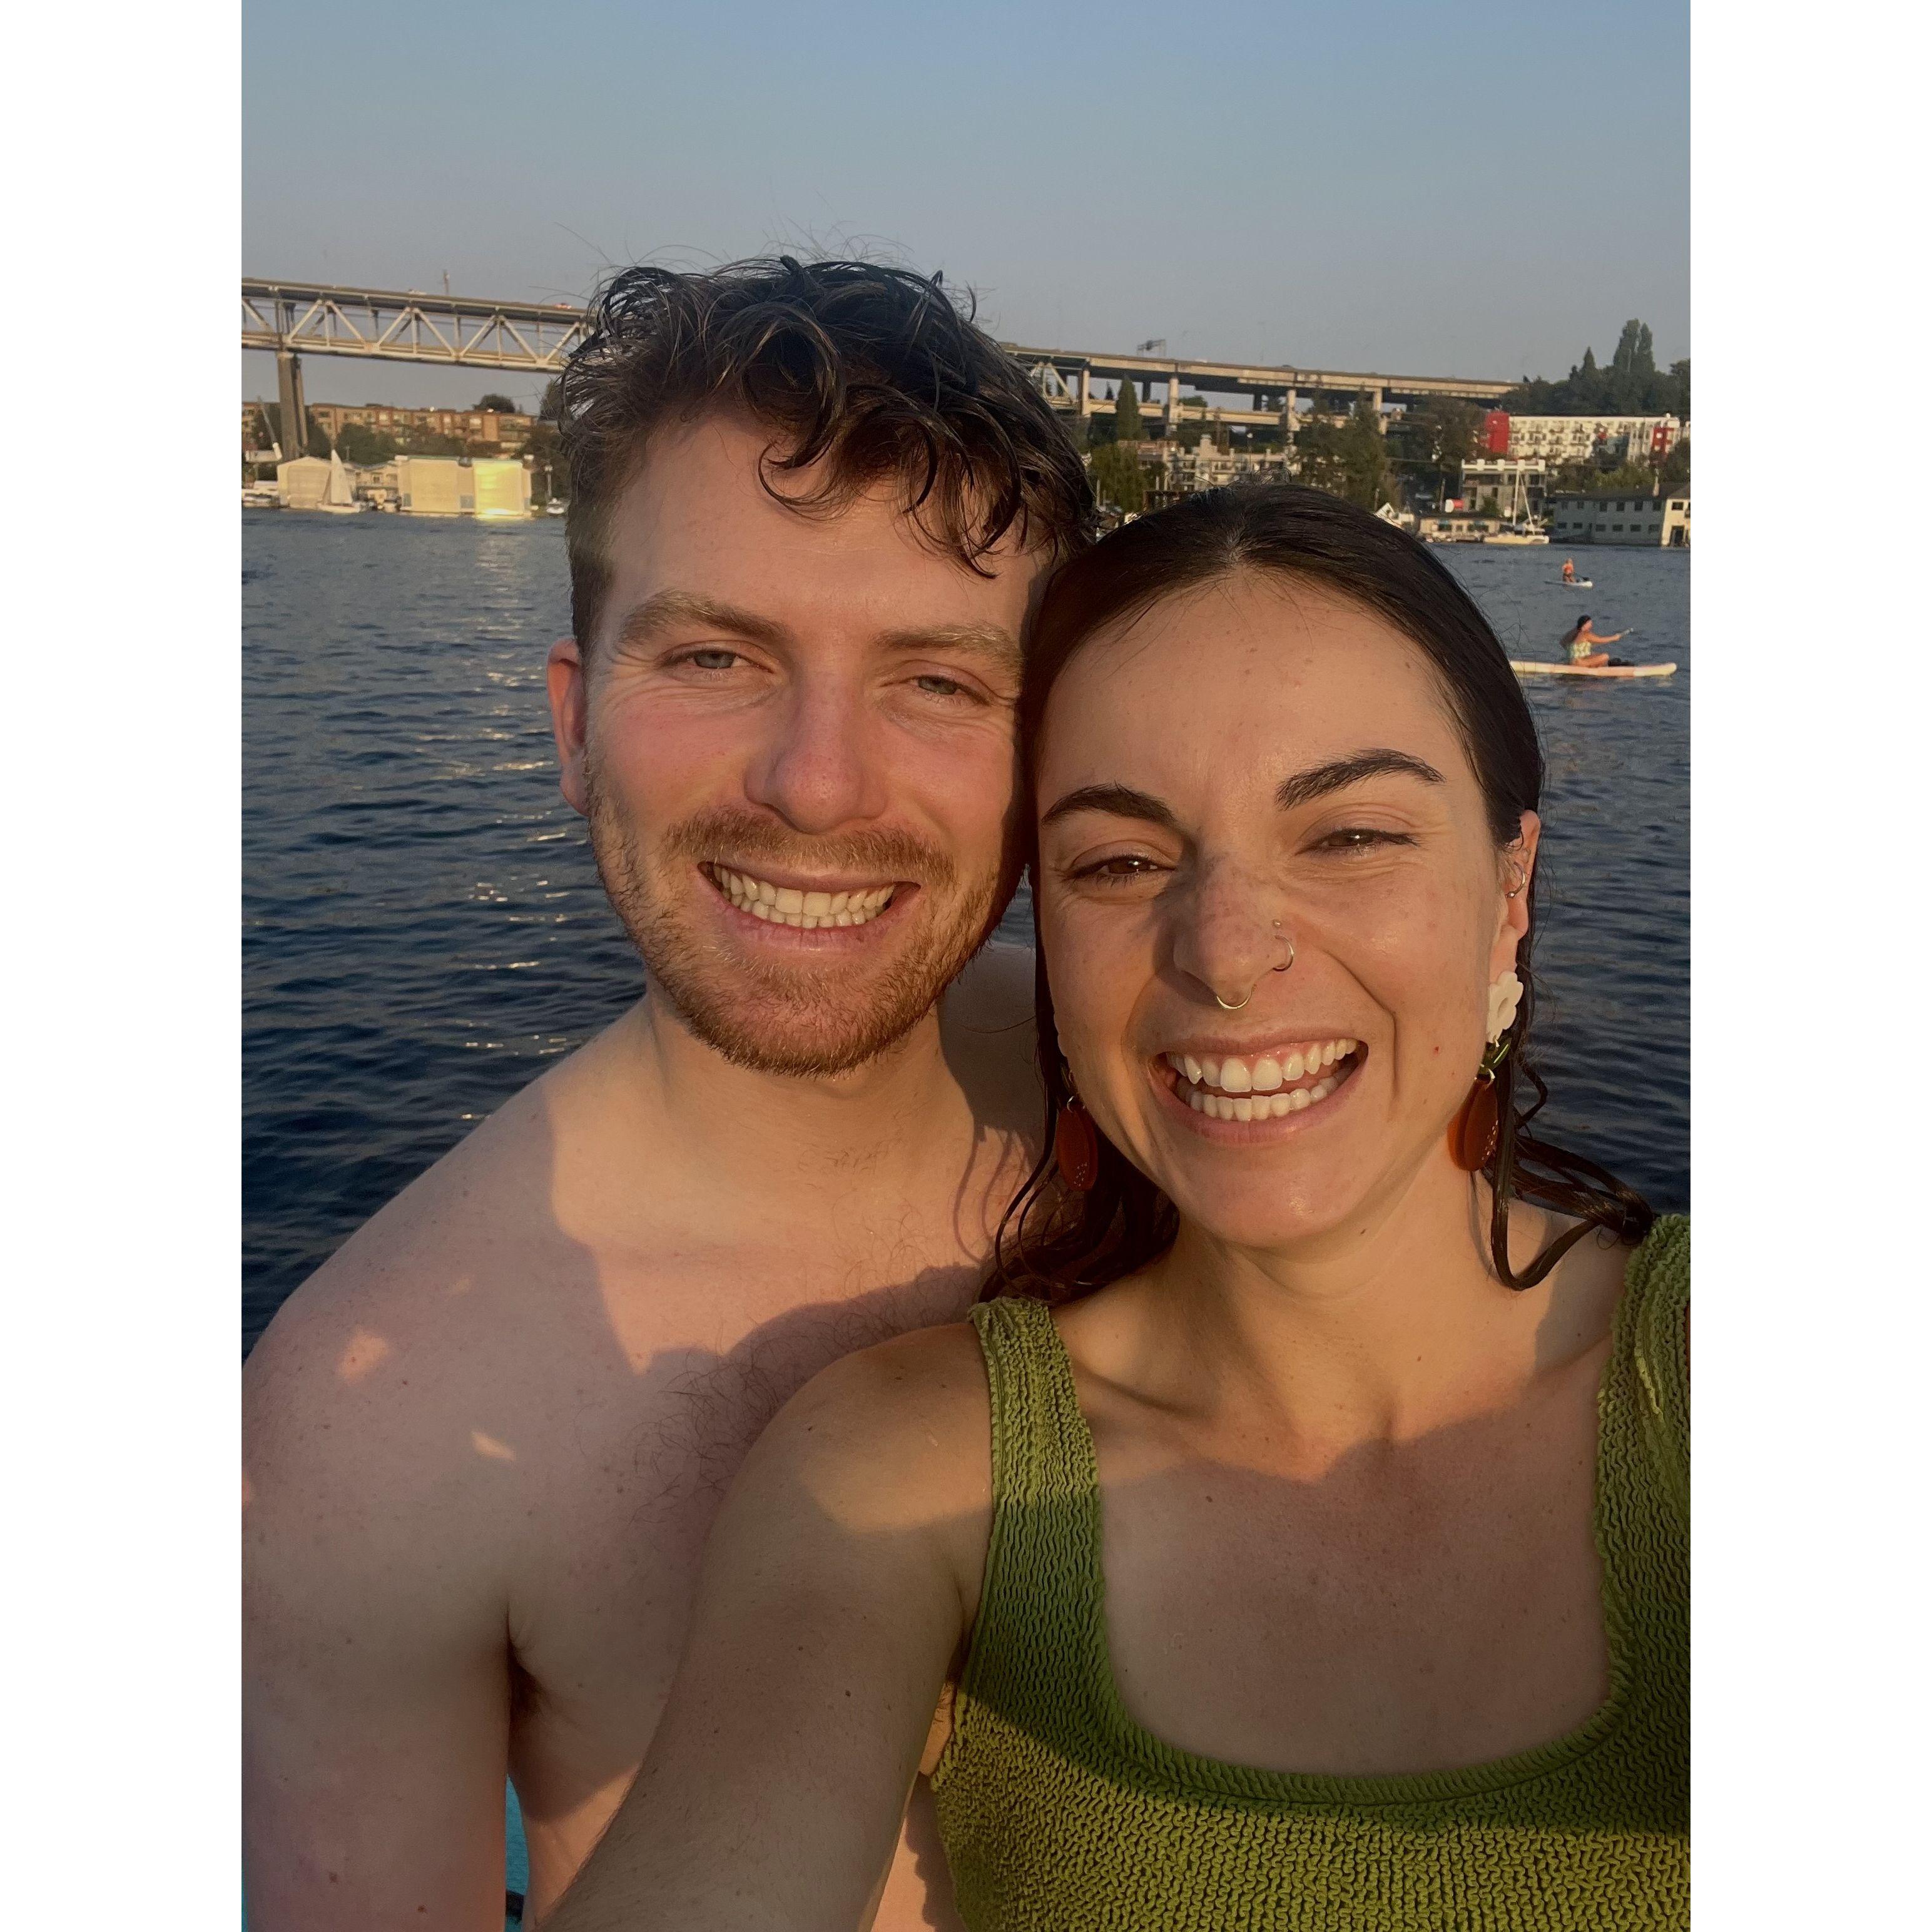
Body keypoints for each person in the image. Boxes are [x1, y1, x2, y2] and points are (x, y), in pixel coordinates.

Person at [550, 486, 1689, 1931]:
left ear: (1509, 895)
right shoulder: (909, 1480)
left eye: (1348, 836)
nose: (1224, 952)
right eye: (1119, 861)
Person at [242, 258, 1095, 1929]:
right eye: (715, 656)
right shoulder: (367, 1436)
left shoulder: (1186, 1103)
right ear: (574, 727)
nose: (818, 784)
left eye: (937, 680)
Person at [1561, 613, 1630, 668]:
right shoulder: (1586, 634)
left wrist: (1575, 652)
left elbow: (1563, 643)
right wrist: (1614, 638)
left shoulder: (1574, 633)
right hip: (1578, 663)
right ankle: (1594, 667)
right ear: (1584, 625)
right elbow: (1601, 640)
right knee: (1605, 656)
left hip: (1571, 661)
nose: (1591, 626)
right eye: (1590, 624)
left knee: (1594, 654)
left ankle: (1595, 665)